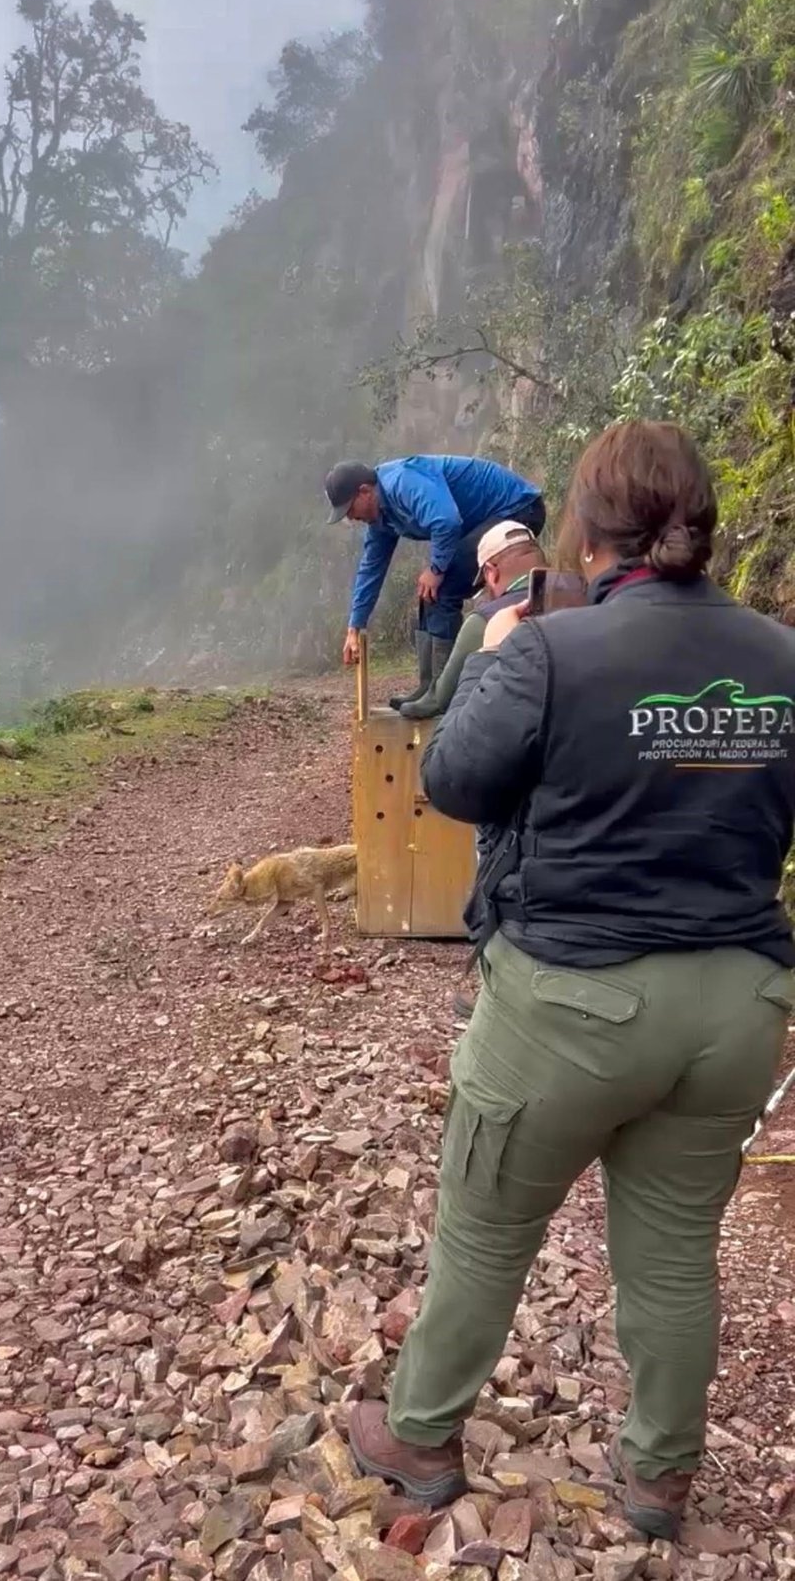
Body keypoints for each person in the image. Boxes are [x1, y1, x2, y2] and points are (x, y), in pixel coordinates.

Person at [346, 419, 795, 1541]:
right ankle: (658, 1480)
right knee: (675, 1253)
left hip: (570, 1003)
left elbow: (455, 780)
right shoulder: (784, 660)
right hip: (738, 1006)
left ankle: (420, 1436)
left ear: (588, 535)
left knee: (486, 1228)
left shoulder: (551, 652)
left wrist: (498, 650)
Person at [325, 455, 544, 708]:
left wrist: (437, 569)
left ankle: (443, 695)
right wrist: (355, 625)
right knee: (428, 592)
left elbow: (446, 521)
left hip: (517, 509)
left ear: (364, 491)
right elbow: (371, 568)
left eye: (350, 509)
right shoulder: (381, 519)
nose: (351, 518)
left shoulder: (401, 482)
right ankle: (428, 686)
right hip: (485, 521)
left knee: (443, 588)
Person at [398, 520, 547, 720]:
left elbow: (442, 698)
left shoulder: (483, 620)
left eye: (484, 583)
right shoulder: (582, 599)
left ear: (491, 573)